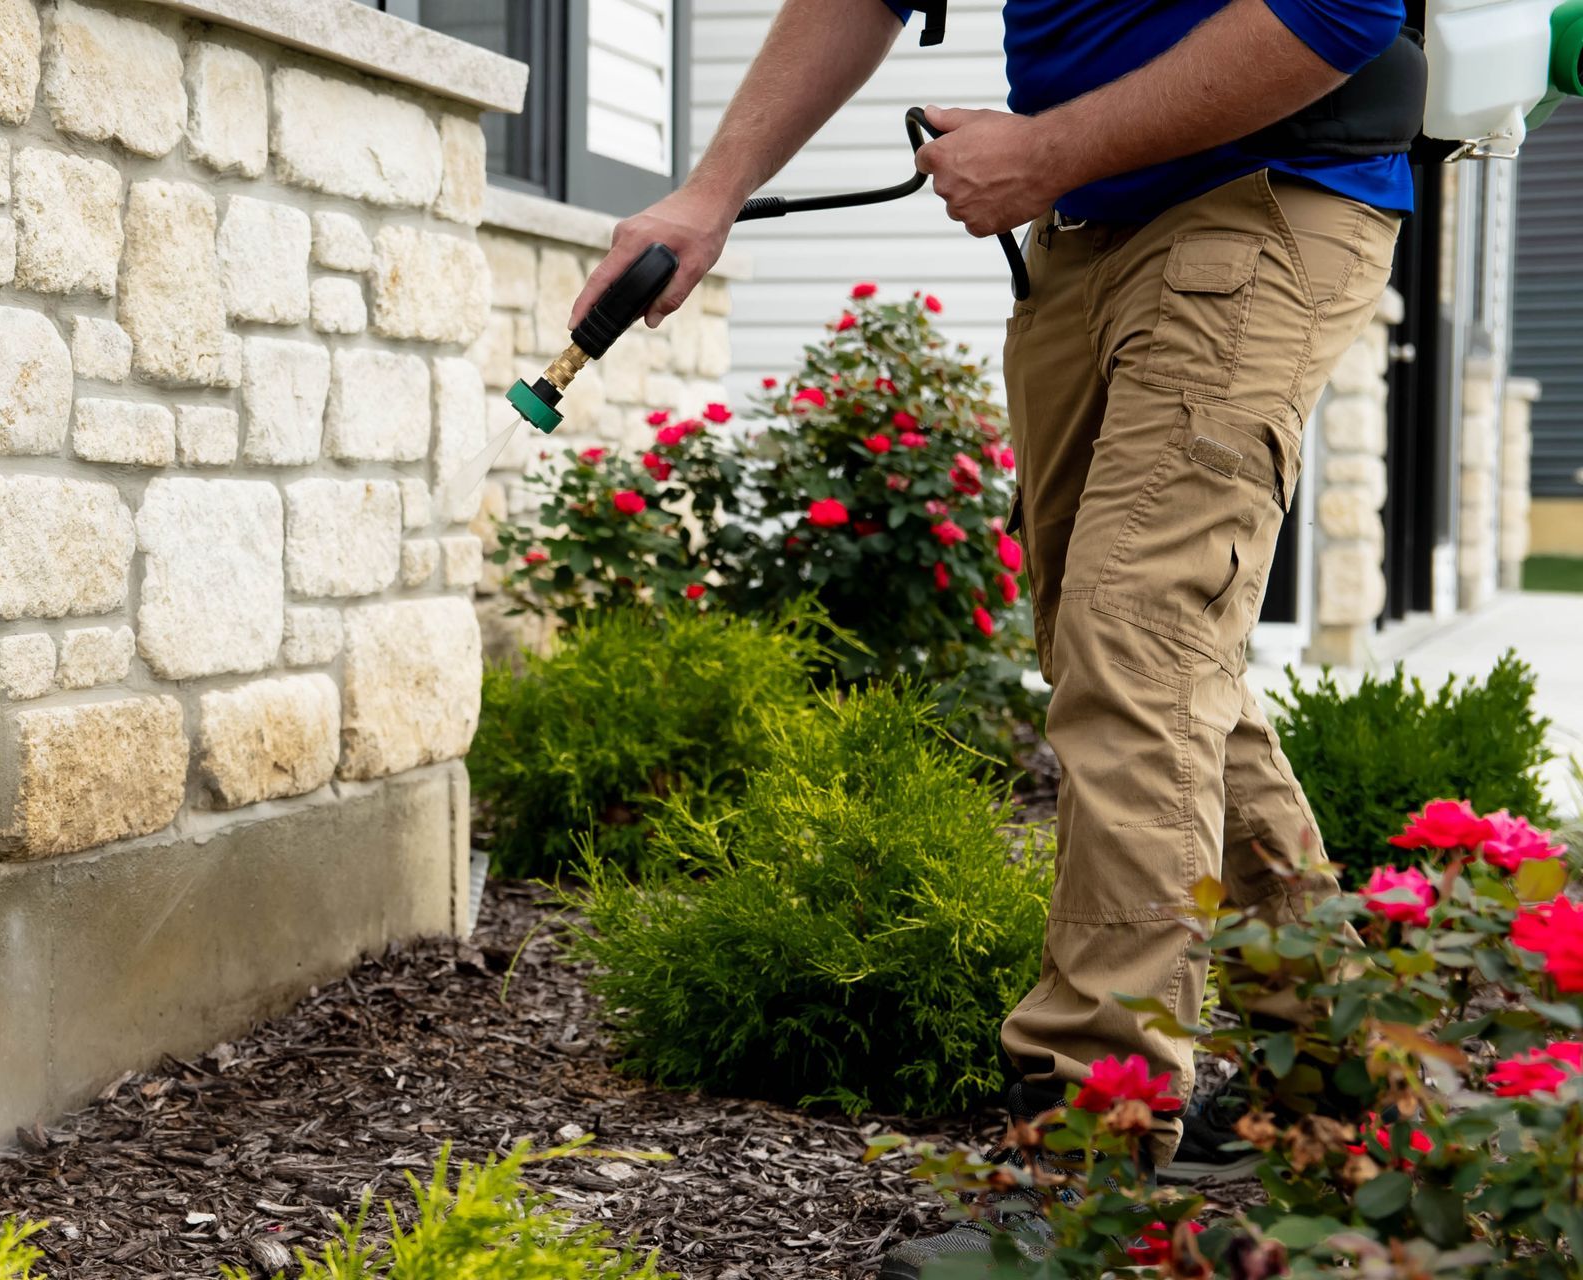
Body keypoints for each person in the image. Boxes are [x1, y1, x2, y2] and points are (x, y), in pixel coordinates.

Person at [571, 0, 1415, 1268]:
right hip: (1087, 233)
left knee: (1137, 647)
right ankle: (1345, 1075)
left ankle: (1088, 1158)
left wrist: (1051, 147)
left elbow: (1336, 8)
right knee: (1132, 655)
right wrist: (712, 190)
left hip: (1268, 197)